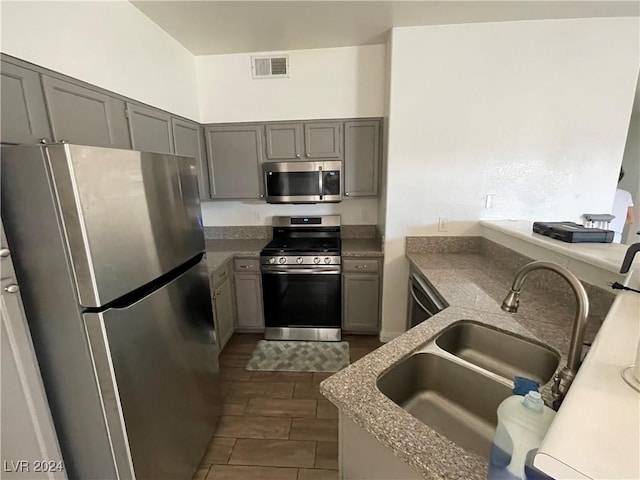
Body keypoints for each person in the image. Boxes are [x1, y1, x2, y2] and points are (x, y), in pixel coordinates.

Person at [611, 168, 635, 243]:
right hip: (616, 234)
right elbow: (631, 219)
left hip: (597, 232)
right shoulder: (626, 195)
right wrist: (617, 222)